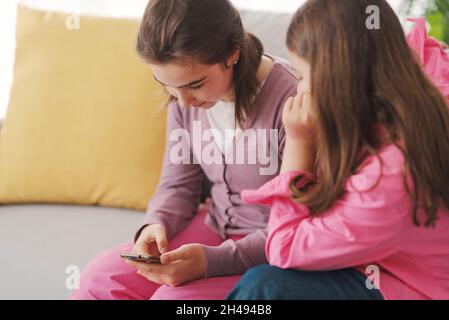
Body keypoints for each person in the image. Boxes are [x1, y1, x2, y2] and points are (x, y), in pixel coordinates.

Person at [70, 0, 297, 300]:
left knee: (174, 300)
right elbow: (178, 184)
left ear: (233, 52)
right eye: (167, 85)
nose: (182, 101)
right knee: (101, 278)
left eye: (195, 84)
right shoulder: (182, 100)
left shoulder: (292, 102)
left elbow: (296, 227)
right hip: (213, 226)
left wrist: (209, 262)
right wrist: (155, 223)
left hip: (269, 249)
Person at [227, 0, 449, 300]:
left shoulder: (391, 174)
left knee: (264, 286)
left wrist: (299, 143)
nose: (298, 90)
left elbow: (283, 248)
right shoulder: (410, 98)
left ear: (338, 78)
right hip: (378, 265)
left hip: (404, 286)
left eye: (302, 76)